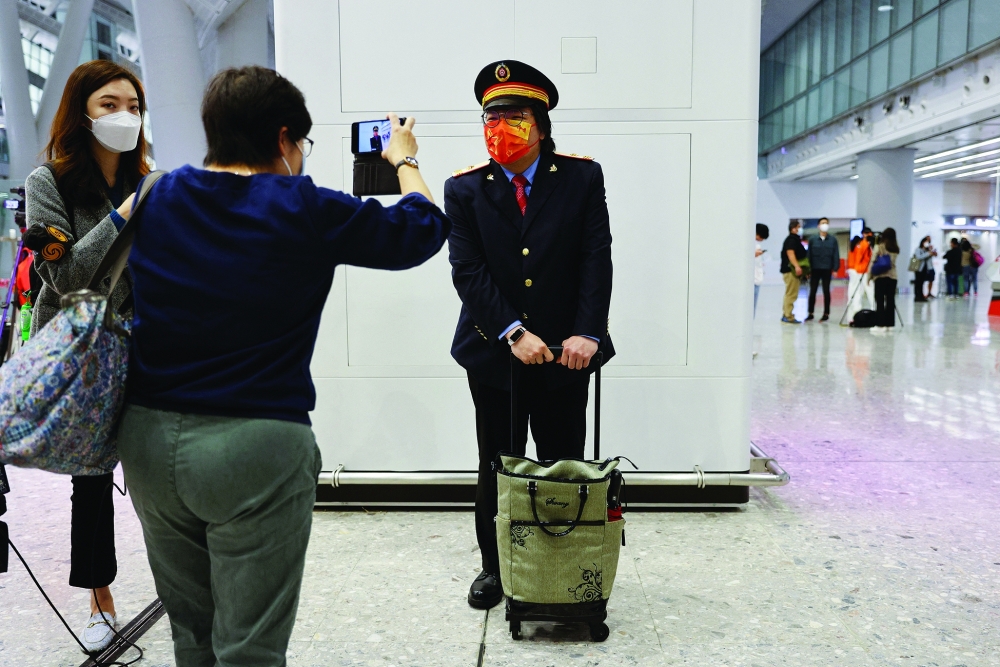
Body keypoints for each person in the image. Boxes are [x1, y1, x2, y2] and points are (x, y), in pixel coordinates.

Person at [114, 67, 451, 667]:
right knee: (251, 648)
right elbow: (422, 230)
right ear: (283, 139)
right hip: (255, 446)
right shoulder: (305, 205)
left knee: (192, 635)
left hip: (147, 439)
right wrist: (404, 160)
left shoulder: (157, 194)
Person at [445, 59, 614, 610]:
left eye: (513, 116)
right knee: (497, 460)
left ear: (540, 123)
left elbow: (595, 258)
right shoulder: (465, 189)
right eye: (490, 116)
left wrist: (588, 332)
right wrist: (513, 332)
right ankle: (497, 568)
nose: (499, 125)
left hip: (568, 354)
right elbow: (467, 272)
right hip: (494, 355)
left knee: (562, 459)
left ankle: (561, 561)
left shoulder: (582, 177)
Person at [22, 60, 148, 653]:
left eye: (133, 104)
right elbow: (67, 272)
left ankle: (183, 578)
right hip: (83, 348)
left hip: (148, 344)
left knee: (160, 467)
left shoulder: (148, 178)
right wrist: (127, 212)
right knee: (93, 480)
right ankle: (99, 600)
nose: (124, 115)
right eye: (109, 104)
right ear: (81, 112)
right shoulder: (47, 183)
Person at [805, 217, 839, 322]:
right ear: (818, 226)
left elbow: (835, 254)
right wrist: (807, 270)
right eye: (822, 223)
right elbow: (808, 255)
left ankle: (826, 313)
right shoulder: (812, 239)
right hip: (815, 268)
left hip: (827, 268)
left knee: (826, 291)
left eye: (826, 223)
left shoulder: (833, 240)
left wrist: (835, 268)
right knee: (813, 291)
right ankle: (810, 313)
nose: (824, 225)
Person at [867, 227, 899, 332]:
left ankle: (880, 324)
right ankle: (890, 324)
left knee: (879, 300)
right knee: (890, 300)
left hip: (880, 277)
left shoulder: (879, 247)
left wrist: (869, 276)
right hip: (893, 277)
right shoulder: (895, 248)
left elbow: (872, 262)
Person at [845, 227, 875, 324]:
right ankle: (857, 313)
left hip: (860, 270)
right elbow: (861, 257)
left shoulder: (862, 245)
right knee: (859, 292)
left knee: (862, 291)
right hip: (860, 271)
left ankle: (866, 309)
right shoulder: (862, 244)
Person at [780, 220, 806, 324]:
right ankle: (788, 315)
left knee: (789, 293)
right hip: (790, 271)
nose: (800, 229)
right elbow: (790, 253)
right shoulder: (791, 240)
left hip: (790, 270)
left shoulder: (795, 239)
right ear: (793, 228)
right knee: (791, 294)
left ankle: (786, 313)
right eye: (798, 227)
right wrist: (797, 266)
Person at [912, 235, 937, 301]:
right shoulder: (918, 249)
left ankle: (921, 296)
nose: (927, 243)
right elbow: (919, 257)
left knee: (922, 282)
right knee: (918, 282)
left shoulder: (927, 250)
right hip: (919, 268)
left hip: (925, 269)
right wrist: (928, 253)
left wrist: (931, 252)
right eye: (926, 241)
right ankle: (917, 296)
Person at [754, 223, 769, 317]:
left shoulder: (757, 245)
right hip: (752, 280)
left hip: (757, 279)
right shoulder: (749, 244)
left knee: (753, 306)